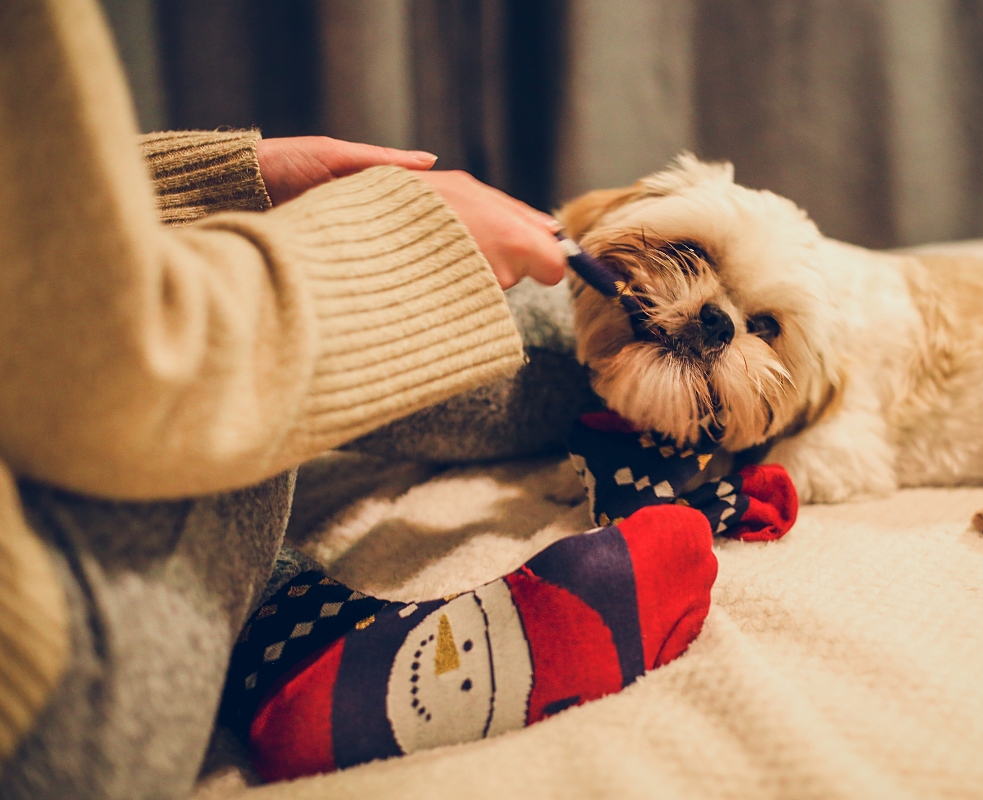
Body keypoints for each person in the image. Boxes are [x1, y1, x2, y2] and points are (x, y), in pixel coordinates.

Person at [0, 1, 718, 796]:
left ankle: (301, 652)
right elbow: (111, 375)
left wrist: (211, 183)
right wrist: (389, 254)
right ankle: (299, 633)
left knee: (520, 331)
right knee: (260, 385)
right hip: (49, 695)